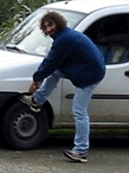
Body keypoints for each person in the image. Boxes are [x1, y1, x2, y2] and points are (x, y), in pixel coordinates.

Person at [21, 12, 106, 163]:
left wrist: (36, 79)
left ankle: (80, 151)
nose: (48, 30)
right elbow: (53, 62)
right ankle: (37, 101)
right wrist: (38, 78)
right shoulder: (64, 36)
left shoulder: (65, 39)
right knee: (54, 73)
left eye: (51, 25)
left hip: (90, 74)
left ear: (58, 23)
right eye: (45, 27)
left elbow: (51, 61)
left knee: (79, 111)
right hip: (85, 68)